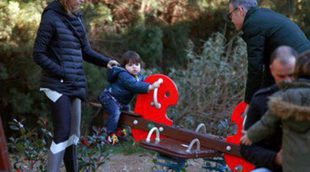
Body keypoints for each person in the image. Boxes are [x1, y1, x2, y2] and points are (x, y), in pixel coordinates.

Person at [33, 0, 118, 171]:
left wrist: (107, 62)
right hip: (56, 84)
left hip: (75, 83)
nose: (82, 0)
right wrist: (61, 71)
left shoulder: (77, 18)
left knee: (73, 136)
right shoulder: (50, 17)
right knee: (62, 133)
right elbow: (38, 54)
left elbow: (86, 51)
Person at [227, 0, 310, 104]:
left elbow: (255, 69)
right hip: (304, 61)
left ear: (240, 10)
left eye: (230, 15)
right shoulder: (262, 16)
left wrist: (249, 102)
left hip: (299, 67)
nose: (231, 20)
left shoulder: (253, 24)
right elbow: (268, 70)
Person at [241, 50, 310, 172]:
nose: (287, 81)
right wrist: (275, 158)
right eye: (281, 76)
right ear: (272, 70)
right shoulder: (263, 99)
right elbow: (247, 147)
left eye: (291, 75)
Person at [98, 51, 162, 145]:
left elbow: (143, 81)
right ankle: (110, 135)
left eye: (137, 64)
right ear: (124, 67)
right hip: (110, 97)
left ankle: (120, 131)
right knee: (115, 113)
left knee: (127, 113)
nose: (134, 67)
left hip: (121, 102)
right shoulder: (124, 75)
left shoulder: (138, 76)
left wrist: (153, 81)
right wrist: (150, 87)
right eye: (130, 65)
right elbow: (134, 86)